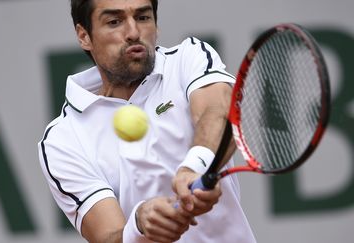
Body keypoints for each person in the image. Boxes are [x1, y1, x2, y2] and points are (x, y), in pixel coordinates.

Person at [38, 0, 256, 242]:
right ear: (84, 36)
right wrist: (140, 224)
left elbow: (219, 112)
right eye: (114, 22)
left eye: (143, 18)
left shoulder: (188, 58)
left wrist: (195, 166)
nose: (133, 33)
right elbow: (107, 236)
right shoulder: (62, 140)